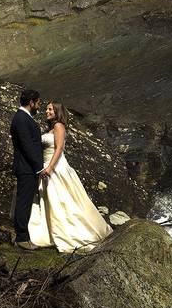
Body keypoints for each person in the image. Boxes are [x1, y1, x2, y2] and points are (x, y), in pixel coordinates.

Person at [27, 102, 113, 252]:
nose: (46, 111)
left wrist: (50, 168)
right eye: (47, 109)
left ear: (57, 111)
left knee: (62, 201)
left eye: (50, 109)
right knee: (52, 201)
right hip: (46, 166)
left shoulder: (59, 126)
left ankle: (70, 233)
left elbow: (59, 148)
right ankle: (52, 232)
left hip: (55, 167)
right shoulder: (51, 128)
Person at [9, 89, 46, 251]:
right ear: (31, 102)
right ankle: (22, 238)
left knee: (25, 202)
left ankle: (24, 235)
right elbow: (27, 145)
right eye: (38, 102)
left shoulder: (24, 117)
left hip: (27, 167)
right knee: (23, 203)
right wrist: (38, 167)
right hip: (26, 167)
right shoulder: (21, 118)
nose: (39, 106)